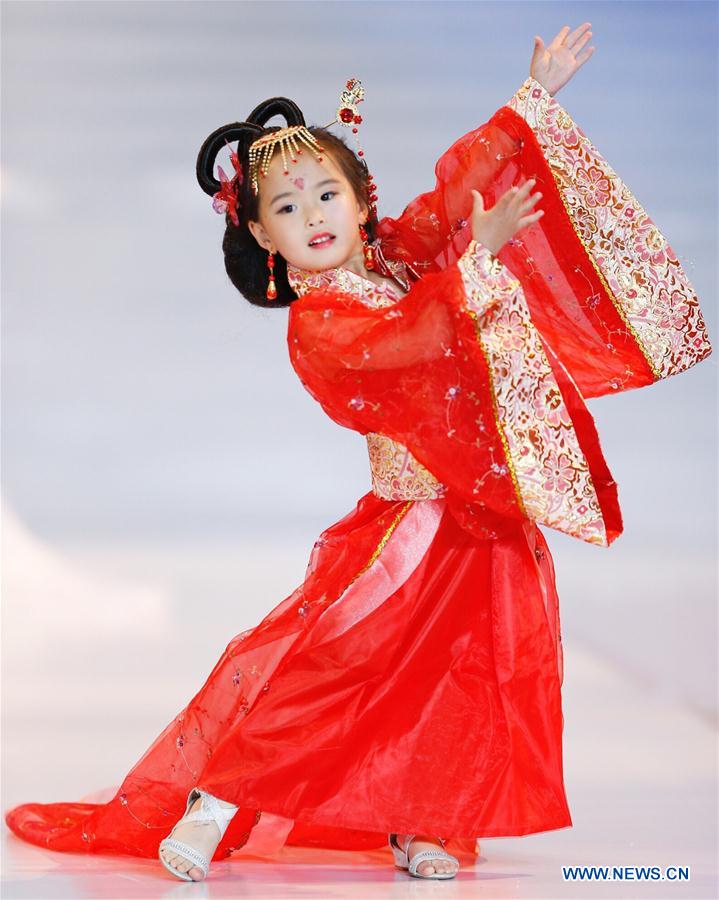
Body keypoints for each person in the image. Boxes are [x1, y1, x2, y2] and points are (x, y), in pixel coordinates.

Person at [5, 23, 711, 884]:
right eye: (287, 208)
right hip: (405, 527)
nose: (312, 217)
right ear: (263, 236)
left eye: (324, 195)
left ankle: (424, 823)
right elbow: (404, 344)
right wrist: (471, 271)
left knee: (465, 675)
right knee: (329, 667)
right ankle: (214, 803)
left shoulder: (394, 261)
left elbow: (450, 204)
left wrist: (531, 102)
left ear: (361, 199)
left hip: (477, 520)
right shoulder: (323, 321)